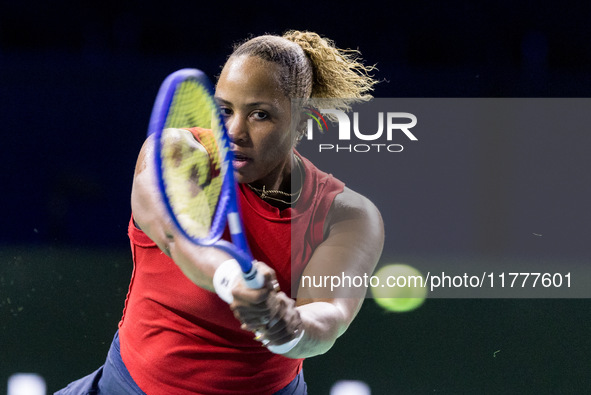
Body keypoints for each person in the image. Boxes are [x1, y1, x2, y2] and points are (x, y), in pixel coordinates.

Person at [57, 30, 384, 395]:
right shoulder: (176, 153)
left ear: (303, 121)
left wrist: (286, 325)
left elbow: (329, 316)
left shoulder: (348, 215)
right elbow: (177, 234)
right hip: (126, 386)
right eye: (225, 110)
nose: (234, 131)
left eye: (260, 115)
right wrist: (232, 278)